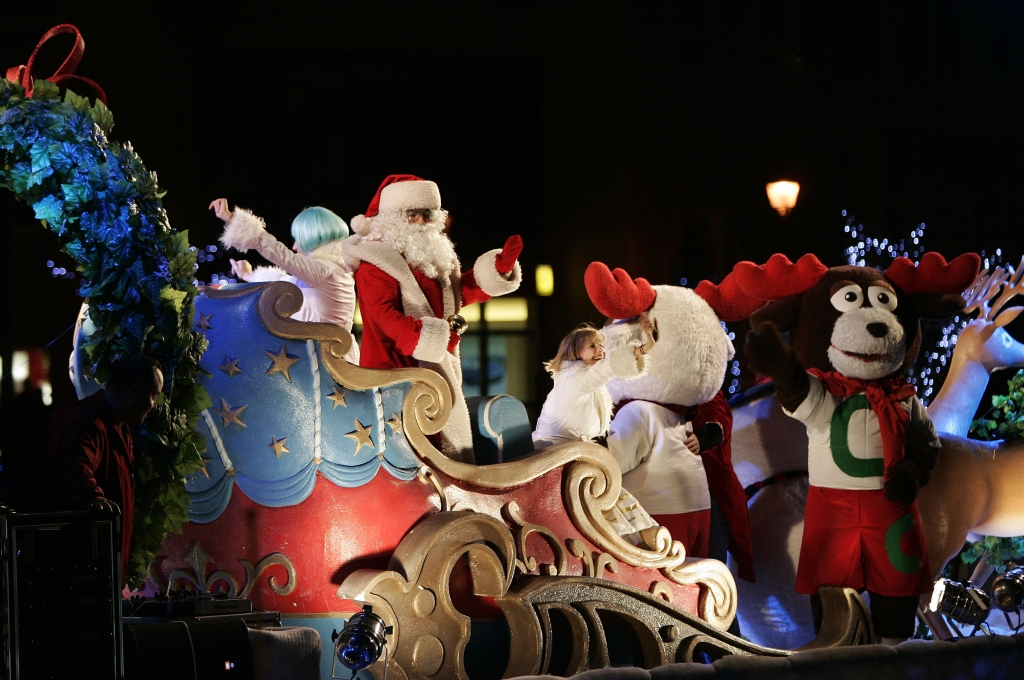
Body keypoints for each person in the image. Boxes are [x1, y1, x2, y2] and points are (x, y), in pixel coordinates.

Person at [343, 174, 523, 462]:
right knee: (409, 456)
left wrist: (497, 271)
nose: (420, 222)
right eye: (411, 214)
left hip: (436, 365)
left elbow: (457, 293)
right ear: (391, 218)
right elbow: (383, 316)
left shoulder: (437, 261)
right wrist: (434, 338)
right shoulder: (375, 264)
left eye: (426, 214)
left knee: (445, 447)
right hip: (395, 372)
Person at [36, 356, 163, 581]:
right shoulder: (89, 424)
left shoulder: (115, 425)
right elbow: (75, 465)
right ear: (136, 391)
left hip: (99, 573)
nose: (154, 405)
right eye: (153, 396)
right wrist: (91, 497)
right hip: (82, 576)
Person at [532, 321, 660, 543]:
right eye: (593, 346)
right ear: (574, 351)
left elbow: (605, 369)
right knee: (602, 490)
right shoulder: (575, 379)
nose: (600, 350)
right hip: (555, 458)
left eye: (601, 345)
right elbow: (608, 368)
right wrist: (643, 347)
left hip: (572, 455)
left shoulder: (582, 379)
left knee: (608, 488)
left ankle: (639, 540)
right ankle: (630, 542)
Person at [210, 199, 359, 363]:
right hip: (322, 360)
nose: (295, 246)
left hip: (330, 364)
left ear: (313, 237)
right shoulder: (326, 272)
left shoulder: (325, 271)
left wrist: (233, 219)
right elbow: (285, 283)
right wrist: (249, 276)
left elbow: (281, 255)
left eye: (298, 239)